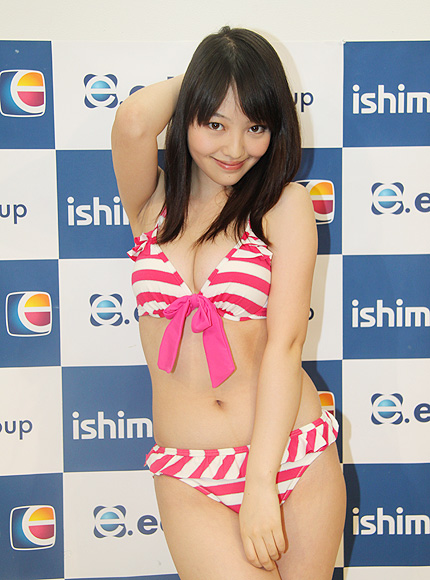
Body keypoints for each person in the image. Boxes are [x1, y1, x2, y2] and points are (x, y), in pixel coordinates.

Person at [111, 26, 345, 580]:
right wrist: (211, 76)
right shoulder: (150, 204)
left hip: (290, 454)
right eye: (215, 123)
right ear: (188, 114)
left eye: (255, 126)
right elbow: (133, 121)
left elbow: (285, 347)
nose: (236, 148)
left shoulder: (283, 206)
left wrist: (261, 482)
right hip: (191, 471)